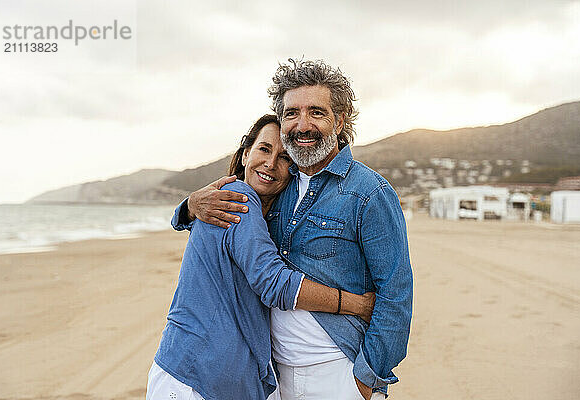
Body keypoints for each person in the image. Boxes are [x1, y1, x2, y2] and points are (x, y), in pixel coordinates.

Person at [182, 59, 413, 399]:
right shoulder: (276, 187)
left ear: (340, 119)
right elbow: (229, 227)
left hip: (338, 371)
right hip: (272, 375)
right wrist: (189, 207)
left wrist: (365, 379)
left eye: (316, 112)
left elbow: (396, 295)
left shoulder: (369, 193)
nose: (302, 125)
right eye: (291, 113)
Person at [147, 114, 375, 400]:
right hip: (195, 377)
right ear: (245, 155)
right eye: (264, 149)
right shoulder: (237, 196)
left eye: (284, 158)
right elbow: (273, 282)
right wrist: (356, 304)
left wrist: (188, 207)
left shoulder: (270, 219)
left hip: (222, 379)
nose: (270, 164)